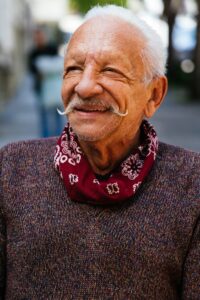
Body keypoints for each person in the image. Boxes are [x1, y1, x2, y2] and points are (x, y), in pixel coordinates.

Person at [0, 5, 200, 299]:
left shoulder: (192, 184)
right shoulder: (10, 170)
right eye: (73, 69)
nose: (85, 86)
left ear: (154, 94)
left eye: (110, 70)